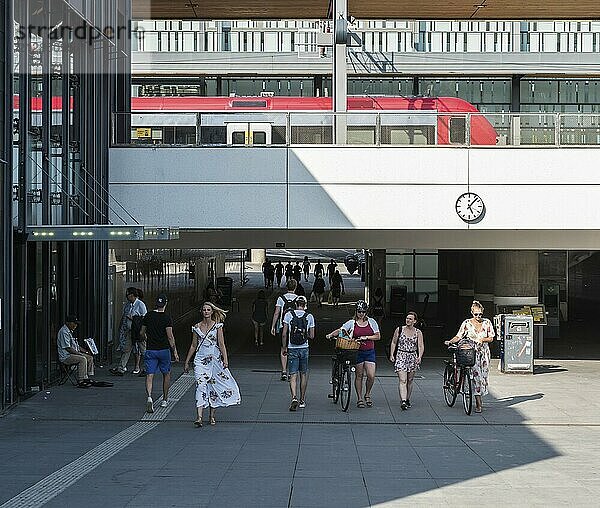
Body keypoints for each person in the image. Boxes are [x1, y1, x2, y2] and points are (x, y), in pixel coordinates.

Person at [184, 302, 241, 427]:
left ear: (212, 312)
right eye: (204, 310)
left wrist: (225, 359)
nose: (206, 312)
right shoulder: (196, 327)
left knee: (213, 386)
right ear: (201, 311)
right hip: (200, 361)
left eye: (208, 310)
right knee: (201, 385)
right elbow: (193, 345)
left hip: (215, 360)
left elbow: (221, 344)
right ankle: (199, 417)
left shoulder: (217, 327)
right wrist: (187, 361)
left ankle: (212, 415)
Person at [326, 300, 380, 408]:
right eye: (359, 311)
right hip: (357, 351)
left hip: (369, 351)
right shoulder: (352, 323)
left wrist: (367, 337)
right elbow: (341, 330)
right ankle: (360, 398)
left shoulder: (372, 322)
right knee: (359, 375)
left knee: (371, 375)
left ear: (366, 312)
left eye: (363, 312)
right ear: (356, 311)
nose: (361, 314)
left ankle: (367, 394)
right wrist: (331, 334)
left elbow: (378, 336)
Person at [445, 300, 495, 413]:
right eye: (476, 314)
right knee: (476, 377)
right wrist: (450, 341)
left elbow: (491, 337)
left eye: (480, 314)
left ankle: (479, 397)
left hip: (484, 353)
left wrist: (483, 339)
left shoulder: (487, 322)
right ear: (472, 313)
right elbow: (459, 336)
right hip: (471, 353)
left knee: (484, 377)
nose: (478, 316)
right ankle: (478, 403)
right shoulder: (467, 323)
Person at [140, 294, 179, 413]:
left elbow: (141, 332)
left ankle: (150, 397)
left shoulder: (148, 316)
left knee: (149, 375)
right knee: (166, 374)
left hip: (151, 350)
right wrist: (175, 352)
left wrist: (146, 338)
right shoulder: (167, 318)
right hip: (164, 350)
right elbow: (170, 337)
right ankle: (165, 399)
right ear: (165, 304)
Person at [282, 296, 315, 410]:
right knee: (303, 374)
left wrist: (284, 347)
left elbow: (284, 334)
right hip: (304, 348)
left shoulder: (288, 315)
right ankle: (302, 400)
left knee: (293, 374)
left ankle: (294, 397)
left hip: (292, 348)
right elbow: (312, 336)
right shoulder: (309, 317)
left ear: (296, 304)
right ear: (305, 305)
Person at [389, 311, 424, 410]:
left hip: (412, 356)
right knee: (403, 380)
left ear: (414, 321)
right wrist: (392, 354)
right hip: (401, 355)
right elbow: (394, 342)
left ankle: (407, 398)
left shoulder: (418, 332)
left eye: (410, 319)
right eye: (407, 318)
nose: (408, 320)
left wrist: (420, 356)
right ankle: (403, 400)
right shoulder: (399, 329)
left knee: (410, 380)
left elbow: (420, 345)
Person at [111, 287, 147, 376]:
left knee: (143, 349)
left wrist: (133, 318)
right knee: (126, 349)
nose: (127, 297)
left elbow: (145, 318)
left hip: (138, 331)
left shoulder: (140, 304)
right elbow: (124, 316)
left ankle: (147, 368)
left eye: (128, 295)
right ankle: (121, 368)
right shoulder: (128, 305)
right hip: (129, 331)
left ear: (132, 295)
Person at [270, 279, 298, 381]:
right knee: (293, 350)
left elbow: (277, 313)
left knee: (283, 349)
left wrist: (273, 326)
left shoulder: (281, 299)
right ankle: (292, 372)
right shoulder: (299, 299)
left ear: (287, 287)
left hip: (283, 327)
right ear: (295, 287)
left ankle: (284, 371)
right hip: (295, 329)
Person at [57, 315, 94, 388]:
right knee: (82, 359)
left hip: (72, 354)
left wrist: (86, 352)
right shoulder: (64, 332)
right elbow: (68, 348)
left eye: (76, 324)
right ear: (68, 323)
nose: (75, 325)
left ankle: (86, 377)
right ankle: (81, 380)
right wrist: (80, 354)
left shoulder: (70, 331)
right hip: (66, 356)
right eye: (74, 323)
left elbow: (76, 346)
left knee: (89, 357)